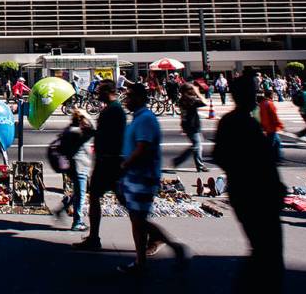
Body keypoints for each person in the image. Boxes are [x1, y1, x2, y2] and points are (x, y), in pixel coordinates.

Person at [214, 72, 285, 292]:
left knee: (262, 249)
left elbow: (219, 155)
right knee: (268, 251)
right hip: (257, 195)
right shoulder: (245, 123)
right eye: (252, 92)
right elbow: (263, 163)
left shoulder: (230, 121)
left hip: (242, 192)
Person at [118, 83, 185, 275]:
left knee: (138, 220)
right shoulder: (139, 118)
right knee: (136, 219)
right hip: (134, 175)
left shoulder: (146, 119)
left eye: (130, 96)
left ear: (139, 98)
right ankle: (141, 261)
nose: (126, 99)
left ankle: (169, 245)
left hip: (143, 176)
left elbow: (142, 148)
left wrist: (124, 166)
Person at [74, 79, 126, 251]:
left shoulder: (114, 110)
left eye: (100, 91)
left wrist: (92, 132)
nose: (97, 94)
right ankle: (94, 237)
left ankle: (154, 235)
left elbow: (112, 136)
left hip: (110, 162)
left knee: (123, 202)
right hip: (107, 161)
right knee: (96, 196)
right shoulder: (112, 109)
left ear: (108, 91)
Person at [56, 109, 95, 231]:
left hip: (72, 166)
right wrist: (88, 115)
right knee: (81, 195)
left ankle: (62, 209)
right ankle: (77, 222)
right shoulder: (77, 132)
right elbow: (93, 130)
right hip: (80, 166)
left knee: (78, 193)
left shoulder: (69, 130)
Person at [172, 83, 210, 172]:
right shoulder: (191, 100)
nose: (193, 90)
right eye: (191, 89)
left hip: (189, 125)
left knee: (197, 145)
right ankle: (198, 165)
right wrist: (198, 93)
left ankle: (181, 161)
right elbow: (205, 102)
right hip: (193, 126)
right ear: (187, 91)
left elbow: (182, 114)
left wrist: (182, 125)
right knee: (197, 146)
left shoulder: (182, 100)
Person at [259, 89, 285, 162]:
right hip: (272, 126)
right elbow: (274, 115)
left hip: (266, 125)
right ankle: (273, 158)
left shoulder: (262, 103)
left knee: (277, 142)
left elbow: (261, 114)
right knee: (272, 144)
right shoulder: (270, 103)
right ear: (271, 95)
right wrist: (279, 124)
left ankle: (278, 157)